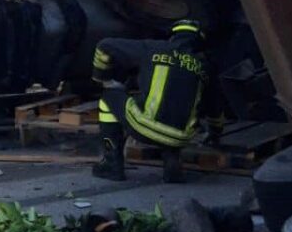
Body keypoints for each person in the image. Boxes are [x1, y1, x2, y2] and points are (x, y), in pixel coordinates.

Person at [89, 17, 220, 183]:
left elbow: (104, 46)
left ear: (173, 35)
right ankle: (171, 159)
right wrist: (215, 134)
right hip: (180, 138)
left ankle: (111, 163)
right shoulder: (205, 67)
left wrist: (102, 77)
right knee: (175, 106)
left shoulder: (154, 48)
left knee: (109, 97)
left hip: (144, 127)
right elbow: (215, 109)